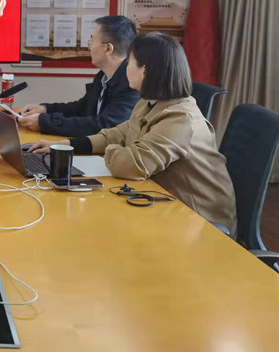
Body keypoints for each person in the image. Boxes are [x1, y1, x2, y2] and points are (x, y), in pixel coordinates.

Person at [30, 32, 237, 233]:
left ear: (144, 71)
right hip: (165, 202)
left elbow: (131, 166)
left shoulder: (180, 119)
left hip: (199, 221)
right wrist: (68, 145)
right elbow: (117, 134)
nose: (125, 68)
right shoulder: (149, 103)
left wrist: (115, 149)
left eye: (129, 63)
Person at [19, 15, 140, 137]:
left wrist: (44, 122)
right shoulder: (102, 77)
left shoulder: (132, 84)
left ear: (108, 48)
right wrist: (45, 109)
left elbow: (103, 125)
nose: (89, 46)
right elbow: (82, 108)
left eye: (92, 41)